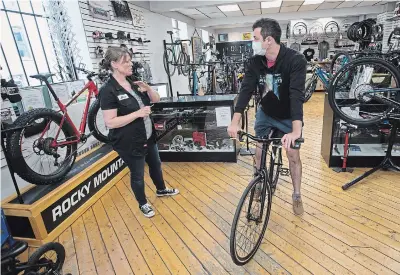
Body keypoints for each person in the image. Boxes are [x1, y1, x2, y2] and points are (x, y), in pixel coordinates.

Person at [227, 18, 307, 215]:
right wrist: (234, 122)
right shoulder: (255, 62)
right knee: (260, 149)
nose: (253, 42)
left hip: (288, 115)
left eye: (255, 38)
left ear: (268, 40)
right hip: (266, 112)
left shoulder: (295, 60)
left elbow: (296, 95)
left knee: (292, 154)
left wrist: (296, 131)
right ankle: (259, 182)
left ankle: (296, 194)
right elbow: (245, 91)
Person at [100, 47, 179, 218]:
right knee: (137, 174)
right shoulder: (108, 90)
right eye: (125, 61)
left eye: (130, 60)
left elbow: (156, 99)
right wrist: (137, 113)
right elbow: (110, 122)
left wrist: (148, 88)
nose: (130, 64)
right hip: (129, 141)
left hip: (147, 135)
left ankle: (161, 189)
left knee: (156, 164)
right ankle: (142, 203)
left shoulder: (134, 80)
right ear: (114, 64)